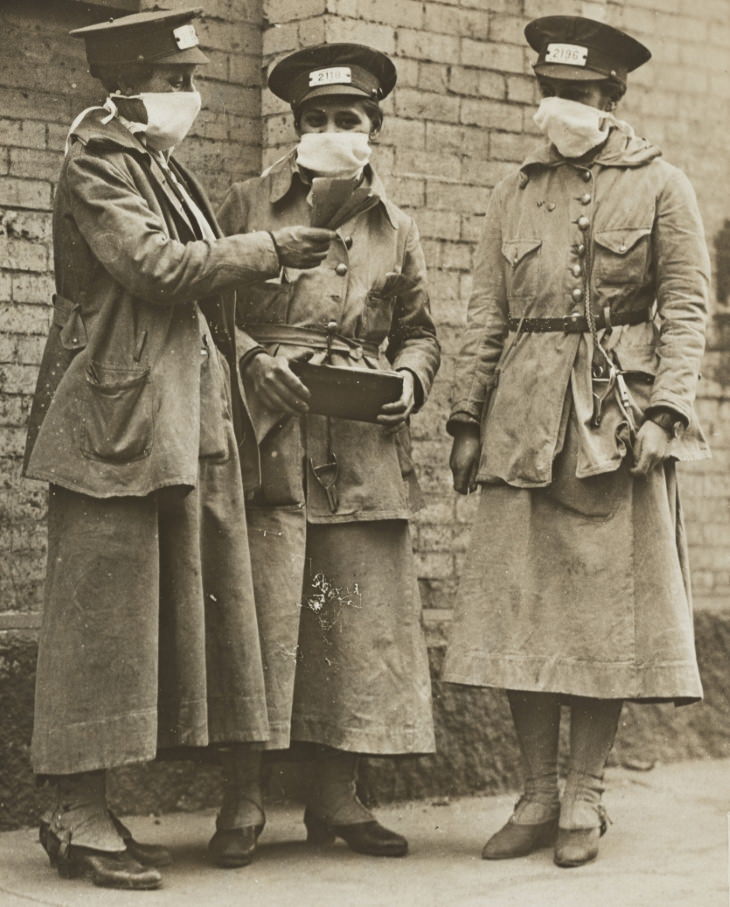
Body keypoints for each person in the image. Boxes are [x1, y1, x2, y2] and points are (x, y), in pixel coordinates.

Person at [23, 8, 335, 890]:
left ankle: (95, 807)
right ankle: (73, 810)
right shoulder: (97, 163)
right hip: (111, 427)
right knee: (99, 620)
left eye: (191, 81)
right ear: (125, 85)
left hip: (169, 424)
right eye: (175, 82)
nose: (189, 99)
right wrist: (266, 249)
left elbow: (196, 306)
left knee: (139, 623)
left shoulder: (157, 166)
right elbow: (157, 268)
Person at [443, 15, 709, 868]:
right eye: (550, 91)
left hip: (616, 422)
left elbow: (687, 308)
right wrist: (465, 417)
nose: (562, 107)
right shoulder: (513, 192)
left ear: (613, 98)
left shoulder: (665, 185)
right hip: (521, 423)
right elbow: (487, 312)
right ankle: (536, 793)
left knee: (602, 618)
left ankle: (586, 796)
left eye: (581, 94)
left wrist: (667, 413)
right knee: (523, 606)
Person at [214, 42, 440, 864]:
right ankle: (240, 798)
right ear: (295, 127)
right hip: (269, 434)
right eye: (316, 120)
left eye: (348, 120)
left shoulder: (397, 225)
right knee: (259, 612)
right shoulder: (248, 201)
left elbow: (419, 331)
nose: (332, 131)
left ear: (373, 129)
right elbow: (206, 308)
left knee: (352, 619)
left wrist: (410, 380)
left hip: (361, 443)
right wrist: (250, 360)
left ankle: (338, 796)